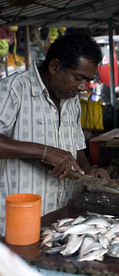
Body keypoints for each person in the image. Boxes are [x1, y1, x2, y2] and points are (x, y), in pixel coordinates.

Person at [0, 33, 110, 235]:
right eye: (78, 78)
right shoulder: (13, 90)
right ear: (54, 67)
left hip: (63, 222)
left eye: (87, 80)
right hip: (18, 223)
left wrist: (87, 171)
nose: (83, 87)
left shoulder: (71, 99)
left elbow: (76, 147)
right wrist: (43, 151)